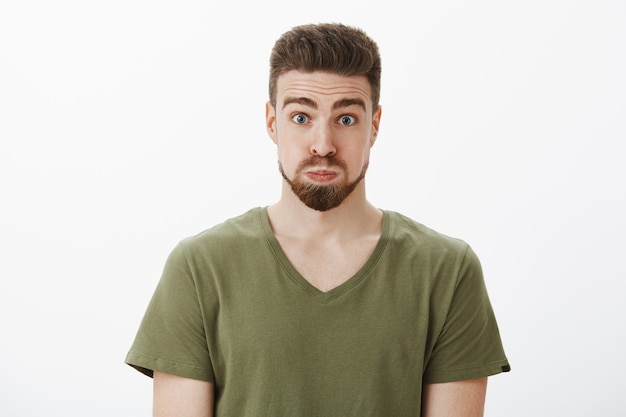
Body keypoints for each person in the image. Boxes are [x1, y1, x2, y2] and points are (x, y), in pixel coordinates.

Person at [125, 22, 510, 417]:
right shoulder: (199, 267)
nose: (323, 145)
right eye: (300, 117)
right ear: (272, 122)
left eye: (345, 119)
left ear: (374, 125)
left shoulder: (447, 271)